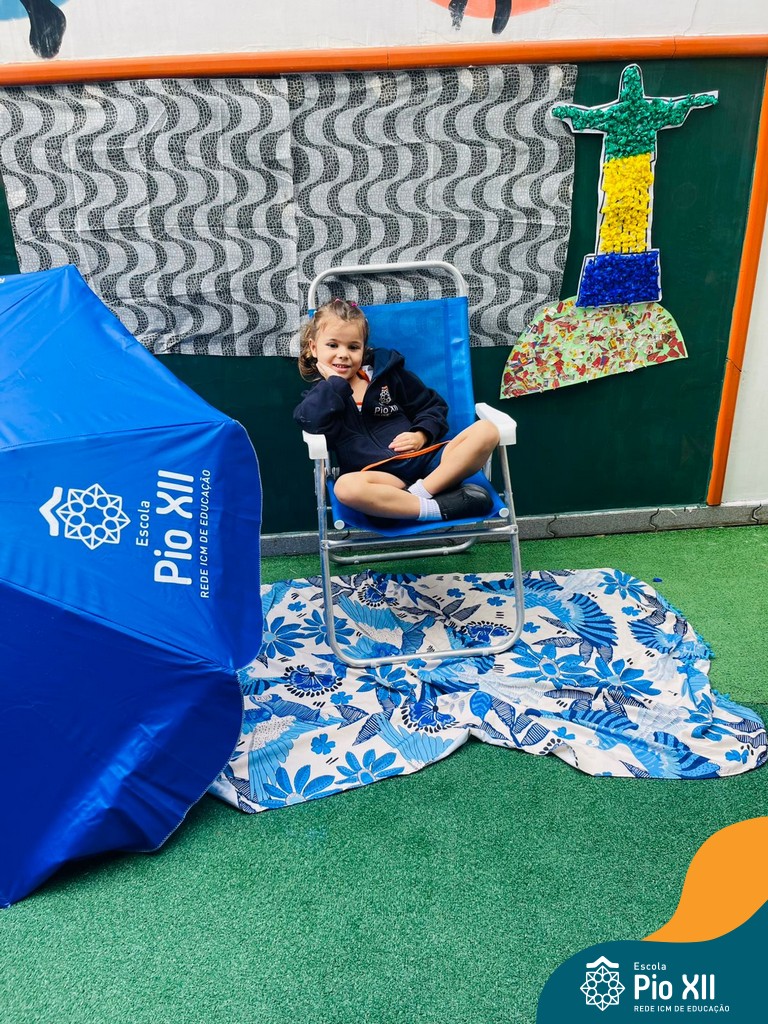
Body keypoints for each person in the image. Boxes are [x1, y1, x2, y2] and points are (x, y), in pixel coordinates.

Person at [293, 297, 499, 521]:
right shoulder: (322, 397)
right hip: (380, 477)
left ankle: (417, 496)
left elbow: (432, 406)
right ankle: (436, 508)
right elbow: (310, 422)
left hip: (428, 462)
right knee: (345, 487)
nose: (343, 354)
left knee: (487, 430)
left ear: (364, 349)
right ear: (314, 348)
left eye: (353, 347)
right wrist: (335, 385)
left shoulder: (388, 376)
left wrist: (421, 434)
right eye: (332, 345)